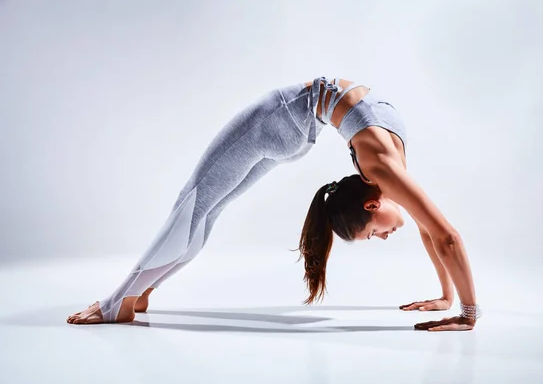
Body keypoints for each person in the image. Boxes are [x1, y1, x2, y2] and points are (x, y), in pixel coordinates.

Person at [67, 76, 481, 331]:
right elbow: (448, 236)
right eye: (376, 234)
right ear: (371, 206)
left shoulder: (389, 174)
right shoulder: (384, 166)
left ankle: (131, 296)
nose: (386, 236)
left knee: (203, 209)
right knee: (194, 206)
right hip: (277, 121)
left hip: (288, 128)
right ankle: (123, 299)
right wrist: (468, 313)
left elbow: (433, 231)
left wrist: (447, 297)